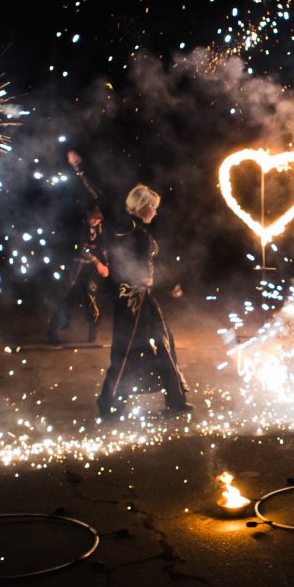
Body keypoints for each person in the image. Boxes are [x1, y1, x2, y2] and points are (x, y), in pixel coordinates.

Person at [67, 153, 192, 419]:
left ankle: (175, 397)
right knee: (125, 352)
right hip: (129, 300)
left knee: (164, 343)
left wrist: (169, 284)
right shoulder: (124, 225)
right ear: (143, 206)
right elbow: (100, 197)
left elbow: (148, 265)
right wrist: (80, 169)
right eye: (153, 207)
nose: (156, 211)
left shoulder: (140, 229)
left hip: (145, 296)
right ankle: (109, 404)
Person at [48, 204, 109, 344]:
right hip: (75, 268)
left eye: (97, 219)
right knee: (67, 297)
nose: (94, 221)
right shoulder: (80, 228)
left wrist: (105, 265)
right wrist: (97, 262)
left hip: (90, 270)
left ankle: (93, 333)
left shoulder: (100, 229)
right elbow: (81, 249)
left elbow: (103, 247)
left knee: (91, 298)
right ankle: (53, 331)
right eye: (92, 218)